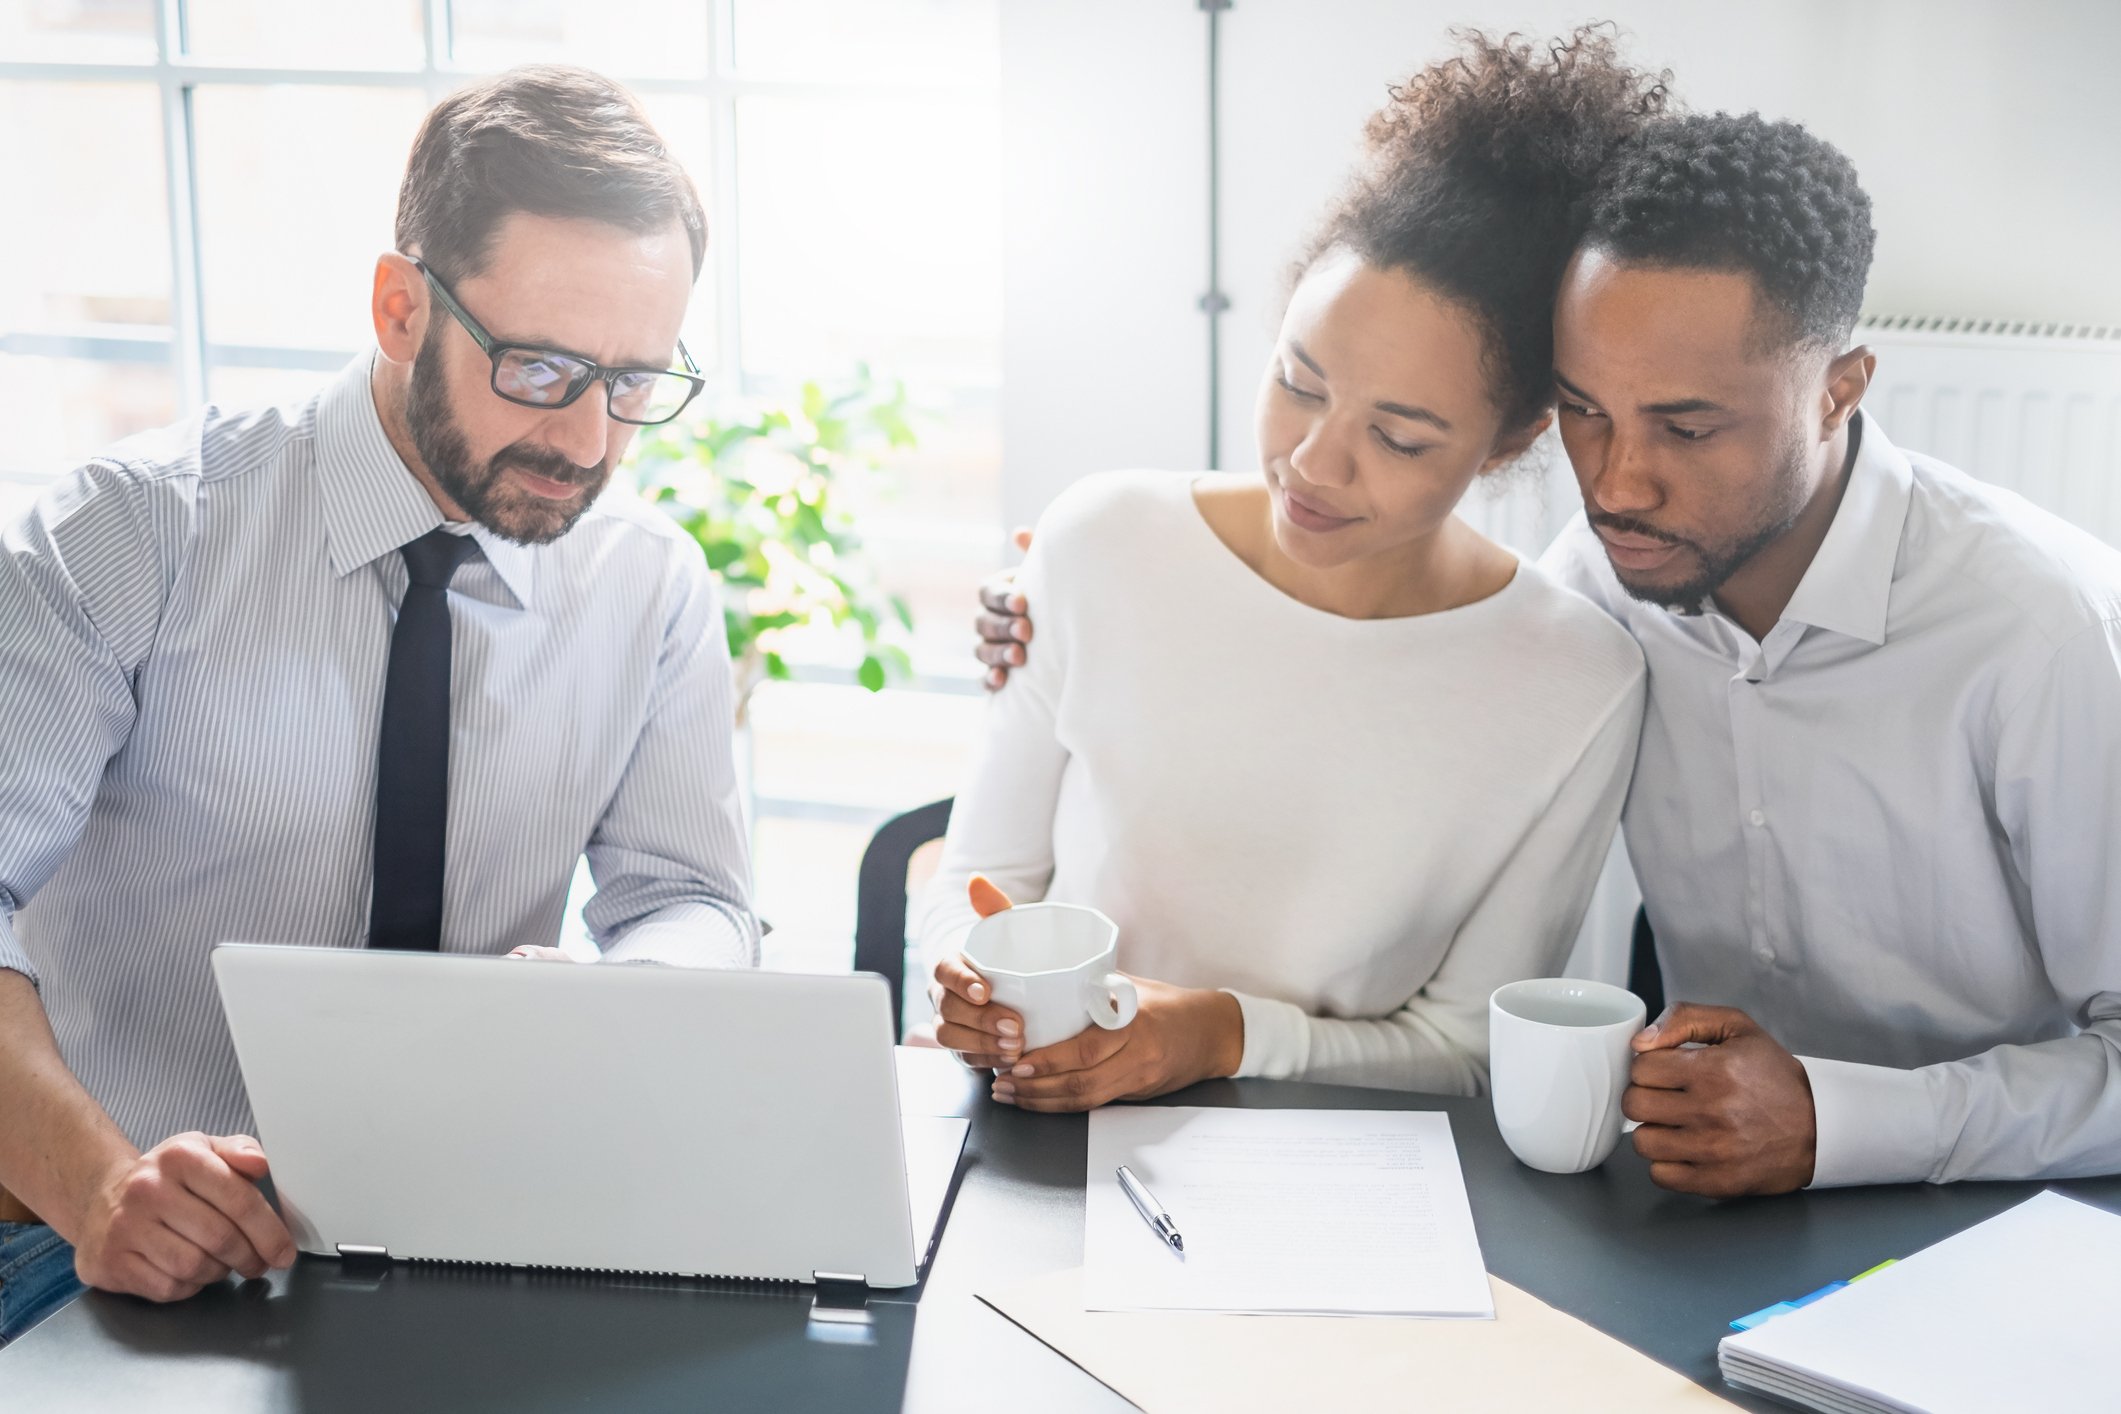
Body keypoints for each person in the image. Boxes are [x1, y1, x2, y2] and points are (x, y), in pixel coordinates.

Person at [983, 112, 2121, 1195]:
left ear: (1839, 391)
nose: (1618, 483)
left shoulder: (2043, 638)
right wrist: (1041, 609)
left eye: (1686, 427)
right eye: (1586, 411)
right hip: (1704, 1190)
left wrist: (1839, 1120)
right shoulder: (1606, 590)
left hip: (2003, 1214)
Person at [0, 66, 754, 1338]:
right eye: (540, 368)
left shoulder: (651, 586)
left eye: (635, 383)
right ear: (401, 307)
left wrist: (629, 996)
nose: (588, 441)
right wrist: (100, 1186)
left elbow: (694, 898)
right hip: (102, 1245)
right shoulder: (132, 535)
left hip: (480, 1245)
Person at [918, 30, 1661, 1114]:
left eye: (1401, 438)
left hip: (1345, 1179)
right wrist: (969, 976)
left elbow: (1466, 1048)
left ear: (1507, 442)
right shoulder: (1100, 541)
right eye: (1299, 383)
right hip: (1047, 1134)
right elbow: (974, 881)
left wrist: (1223, 1034)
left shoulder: (1578, 683)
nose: (1313, 463)